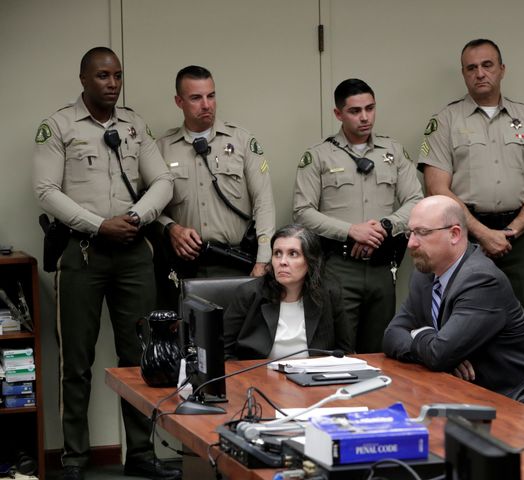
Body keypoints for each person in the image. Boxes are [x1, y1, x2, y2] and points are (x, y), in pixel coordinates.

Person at [32, 47, 179, 479]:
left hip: (134, 252)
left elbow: (164, 180)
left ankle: (141, 453)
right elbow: (44, 189)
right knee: (75, 361)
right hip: (82, 253)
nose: (111, 83)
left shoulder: (134, 125)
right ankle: (74, 459)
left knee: (140, 357)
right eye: (101, 76)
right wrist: (99, 225)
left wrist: (136, 217)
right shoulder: (57, 126)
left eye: (116, 75)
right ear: (83, 79)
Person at [418, 38, 524, 310]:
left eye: (487, 65)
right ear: (463, 74)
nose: (479, 73)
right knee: (463, 315)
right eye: (471, 68)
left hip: (518, 239)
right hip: (463, 238)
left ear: (502, 69)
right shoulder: (445, 121)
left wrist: (508, 233)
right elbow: (437, 190)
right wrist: (483, 233)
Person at [293, 79, 423, 353]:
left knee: (381, 350)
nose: (365, 117)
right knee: (336, 350)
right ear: (338, 114)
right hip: (338, 266)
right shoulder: (319, 156)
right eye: (355, 111)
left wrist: (386, 226)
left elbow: (415, 201)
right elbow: (303, 212)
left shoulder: (393, 152)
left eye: (370, 108)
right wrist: (351, 230)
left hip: (382, 266)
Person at [382, 195, 524, 399]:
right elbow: (391, 335)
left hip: (516, 395)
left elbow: (439, 353)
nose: (411, 243)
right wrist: (439, 351)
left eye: (422, 233)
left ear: (454, 234)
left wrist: (421, 336)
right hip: (462, 388)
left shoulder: (481, 280)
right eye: (410, 233)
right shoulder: (424, 273)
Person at [155, 65, 275, 307]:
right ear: (179, 101)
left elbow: (264, 204)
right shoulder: (162, 148)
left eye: (211, 95)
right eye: (196, 98)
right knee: (190, 341)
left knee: (238, 340)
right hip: (186, 267)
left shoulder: (241, 141)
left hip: (237, 263)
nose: (206, 105)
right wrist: (171, 228)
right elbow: (149, 208)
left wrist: (263, 260)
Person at [224, 224, 353, 359]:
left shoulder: (329, 293)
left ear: (310, 261)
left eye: (293, 254)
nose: (282, 262)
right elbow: (222, 352)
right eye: (277, 253)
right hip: (258, 376)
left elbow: (345, 351)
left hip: (312, 377)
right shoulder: (249, 293)